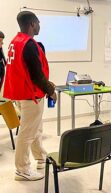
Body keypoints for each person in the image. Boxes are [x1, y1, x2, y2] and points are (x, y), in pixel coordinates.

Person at [3, 11, 56, 181]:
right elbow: (37, 75)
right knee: (27, 132)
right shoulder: (29, 44)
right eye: (38, 23)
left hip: (21, 94)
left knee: (35, 128)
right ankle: (22, 169)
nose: (40, 26)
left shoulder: (15, 42)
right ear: (32, 24)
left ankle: (40, 158)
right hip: (30, 95)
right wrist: (50, 90)